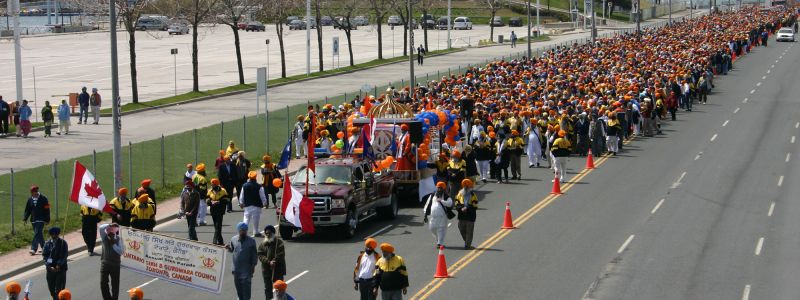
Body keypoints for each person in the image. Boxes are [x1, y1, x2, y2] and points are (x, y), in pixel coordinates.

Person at [227, 222, 258, 300]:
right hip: (236, 270)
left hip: (246, 270)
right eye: (241, 230)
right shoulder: (233, 239)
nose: (243, 232)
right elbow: (232, 250)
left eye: (245, 230)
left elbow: (254, 255)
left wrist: (253, 266)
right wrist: (228, 248)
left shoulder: (251, 241)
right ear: (238, 230)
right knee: (239, 290)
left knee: (246, 291)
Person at [257, 225, 286, 299]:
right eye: (266, 233)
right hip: (266, 270)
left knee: (279, 288)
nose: (267, 235)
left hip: (277, 270)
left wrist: (274, 261)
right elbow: (260, 255)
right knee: (267, 289)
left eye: (269, 233)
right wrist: (268, 262)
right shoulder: (263, 244)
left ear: (273, 233)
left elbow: (281, 254)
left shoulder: (279, 243)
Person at [99, 223, 125, 300]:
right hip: (105, 263)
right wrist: (109, 225)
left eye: (113, 229)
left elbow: (121, 251)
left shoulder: (119, 239)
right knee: (103, 283)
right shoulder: (104, 237)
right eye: (109, 228)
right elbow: (101, 227)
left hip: (115, 265)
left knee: (115, 285)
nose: (110, 230)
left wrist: (113, 243)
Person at [423, 182, 453, 248]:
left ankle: (440, 243)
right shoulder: (432, 195)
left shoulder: (446, 196)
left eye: (440, 188)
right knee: (432, 229)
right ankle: (438, 240)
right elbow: (427, 205)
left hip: (442, 217)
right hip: (433, 217)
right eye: (438, 188)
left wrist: (442, 201)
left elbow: (450, 203)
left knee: (441, 229)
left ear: (443, 189)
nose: (439, 189)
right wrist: (425, 215)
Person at [24, 185, 50, 255]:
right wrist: (25, 218)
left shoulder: (44, 198)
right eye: (31, 192)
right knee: (39, 234)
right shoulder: (30, 199)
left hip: (41, 219)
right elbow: (27, 210)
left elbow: (47, 209)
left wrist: (47, 219)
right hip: (33, 219)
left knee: (37, 232)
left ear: (36, 191)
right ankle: (45, 247)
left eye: (33, 192)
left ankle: (33, 249)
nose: (32, 194)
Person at [43, 227, 68, 300]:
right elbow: (45, 256)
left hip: (60, 269)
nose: (54, 236)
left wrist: (59, 264)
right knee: (51, 288)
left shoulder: (63, 243)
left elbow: (64, 255)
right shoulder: (47, 244)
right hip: (50, 270)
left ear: (58, 234)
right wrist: (49, 265)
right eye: (52, 235)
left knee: (59, 289)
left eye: (56, 235)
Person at [240, 171, 267, 237]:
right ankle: (256, 231)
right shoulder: (259, 186)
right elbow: (262, 196)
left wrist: (241, 203)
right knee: (256, 220)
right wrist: (265, 203)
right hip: (256, 206)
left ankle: (243, 231)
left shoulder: (244, 186)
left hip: (247, 206)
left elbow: (241, 196)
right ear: (255, 178)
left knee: (246, 219)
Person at [454, 179, 478, 249]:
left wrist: (467, 208)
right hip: (461, 216)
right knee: (461, 229)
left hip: (470, 216)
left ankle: (467, 245)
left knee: (469, 231)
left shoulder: (473, 195)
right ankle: (467, 241)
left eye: (467, 186)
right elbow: (456, 203)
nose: (466, 187)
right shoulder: (459, 194)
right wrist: (461, 208)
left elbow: (475, 205)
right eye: (465, 186)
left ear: (470, 187)